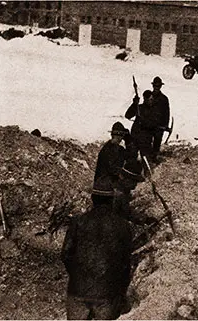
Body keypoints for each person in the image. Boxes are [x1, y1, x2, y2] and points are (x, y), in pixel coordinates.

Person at [62, 176, 133, 320]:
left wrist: (77, 273)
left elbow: (66, 254)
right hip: (107, 292)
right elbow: (126, 264)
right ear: (112, 200)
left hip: (78, 289)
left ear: (93, 198)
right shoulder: (123, 226)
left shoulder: (78, 222)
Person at [113, 159, 157, 225]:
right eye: (133, 181)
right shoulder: (117, 194)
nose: (135, 185)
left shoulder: (122, 192)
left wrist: (145, 219)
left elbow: (127, 212)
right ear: (124, 178)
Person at [125, 90, 156, 161]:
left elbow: (154, 124)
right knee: (132, 158)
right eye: (150, 99)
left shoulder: (154, 111)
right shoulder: (139, 108)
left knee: (146, 159)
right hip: (135, 137)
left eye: (152, 99)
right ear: (145, 99)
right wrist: (134, 104)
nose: (152, 101)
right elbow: (128, 115)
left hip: (146, 140)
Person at [150, 76, 170, 161]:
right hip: (149, 124)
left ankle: (154, 159)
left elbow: (166, 113)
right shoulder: (149, 97)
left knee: (157, 143)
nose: (156, 88)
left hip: (159, 126)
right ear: (153, 86)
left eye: (158, 86)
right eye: (155, 86)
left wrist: (165, 125)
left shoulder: (164, 99)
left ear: (161, 86)